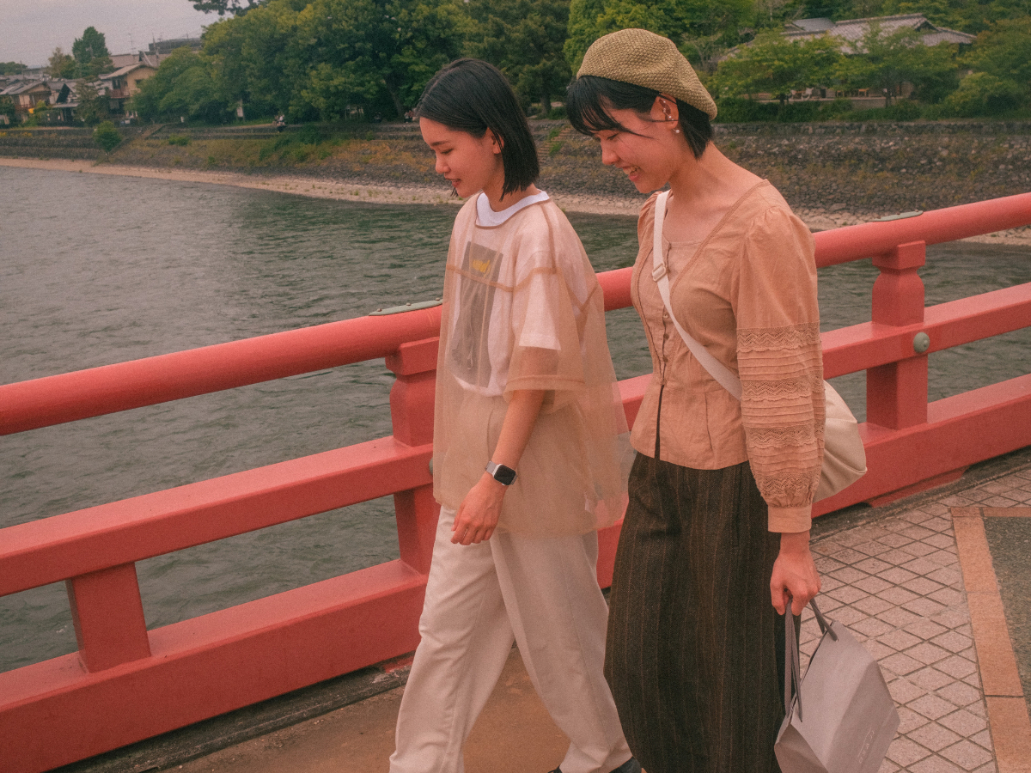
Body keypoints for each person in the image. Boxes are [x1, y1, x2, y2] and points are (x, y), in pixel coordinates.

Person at [566, 29, 824, 773]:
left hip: (739, 481)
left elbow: (782, 387)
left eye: (614, 134)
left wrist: (794, 540)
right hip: (656, 468)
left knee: (737, 691)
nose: (607, 157)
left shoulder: (762, 225)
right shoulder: (654, 214)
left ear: (666, 110)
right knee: (639, 669)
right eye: (596, 139)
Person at [388, 58, 639, 773]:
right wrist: (476, 470)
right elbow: (470, 350)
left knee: (560, 625)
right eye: (432, 151)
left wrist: (497, 476)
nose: (438, 166)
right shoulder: (473, 216)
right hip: (476, 459)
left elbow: (535, 372)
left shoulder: (541, 232)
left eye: (445, 150)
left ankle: (605, 747)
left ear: (492, 137)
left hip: (526, 461)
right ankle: (422, 763)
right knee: (446, 627)